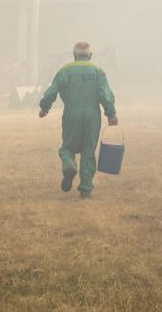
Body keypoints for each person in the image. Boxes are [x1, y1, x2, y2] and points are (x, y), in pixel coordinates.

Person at [39, 42, 118, 199]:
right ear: (90, 55)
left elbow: (51, 91)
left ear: (74, 55)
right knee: (88, 151)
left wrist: (45, 107)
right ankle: (85, 188)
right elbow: (104, 93)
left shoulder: (65, 71)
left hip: (71, 114)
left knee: (67, 148)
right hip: (92, 116)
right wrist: (111, 113)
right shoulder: (98, 71)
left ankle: (69, 165)